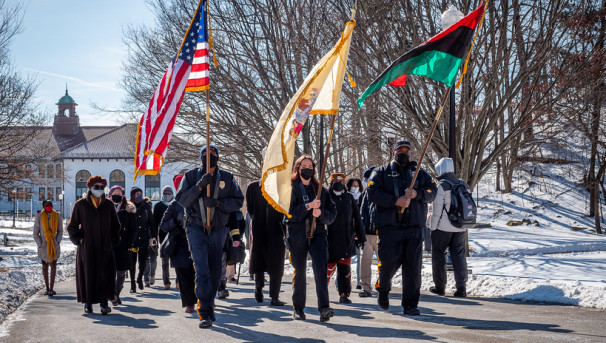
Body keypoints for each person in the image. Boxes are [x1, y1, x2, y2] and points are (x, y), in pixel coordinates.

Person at [175, 144, 244, 329]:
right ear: (200, 157)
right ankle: (204, 311)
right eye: (205, 154)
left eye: (212, 153)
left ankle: (209, 300)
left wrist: (219, 203)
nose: (209, 156)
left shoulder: (227, 178)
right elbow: (181, 200)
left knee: (215, 272)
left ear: (218, 157)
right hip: (196, 228)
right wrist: (198, 187)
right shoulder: (191, 177)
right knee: (202, 270)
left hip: (218, 229)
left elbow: (238, 201)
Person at [367, 140, 437, 316]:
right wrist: (395, 201)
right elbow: (372, 193)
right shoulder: (381, 172)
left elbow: (432, 191)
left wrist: (417, 194)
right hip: (389, 228)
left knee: (413, 268)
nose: (403, 153)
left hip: (414, 227)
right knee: (389, 263)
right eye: (400, 150)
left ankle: (410, 305)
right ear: (393, 153)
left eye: (407, 150)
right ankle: (383, 288)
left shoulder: (420, 173)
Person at [287, 154, 337, 322]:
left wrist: (321, 214)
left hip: (318, 234)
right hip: (297, 233)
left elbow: (332, 214)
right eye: (304, 166)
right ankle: (299, 308)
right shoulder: (291, 187)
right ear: (297, 168)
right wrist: (308, 207)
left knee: (320, 270)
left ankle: (324, 308)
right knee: (299, 271)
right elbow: (289, 214)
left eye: (310, 167)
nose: (307, 169)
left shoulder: (320, 189)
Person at [67, 175, 120, 315]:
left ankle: (104, 304)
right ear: (90, 188)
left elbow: (116, 225)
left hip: (105, 247)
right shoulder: (81, 204)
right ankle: (88, 303)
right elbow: (72, 226)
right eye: (96, 187)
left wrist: (113, 238)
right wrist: (79, 239)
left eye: (102, 187)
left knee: (105, 275)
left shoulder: (108, 204)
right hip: (88, 247)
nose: (99, 189)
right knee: (88, 274)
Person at [429, 157, 469, 297]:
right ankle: (461, 288)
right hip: (460, 226)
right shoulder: (463, 184)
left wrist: (432, 228)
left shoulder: (442, 186)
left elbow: (437, 211)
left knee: (439, 255)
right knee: (459, 256)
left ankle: (440, 287)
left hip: (443, 228)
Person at [326, 173, 365, 304]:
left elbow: (357, 219)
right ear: (331, 183)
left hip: (346, 240)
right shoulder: (326, 196)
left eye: (341, 182)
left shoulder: (348, 198)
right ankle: (322, 291)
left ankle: (344, 294)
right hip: (329, 240)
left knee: (344, 270)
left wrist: (361, 238)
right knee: (327, 268)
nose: (338, 184)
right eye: (336, 181)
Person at [246, 178, 286, 306]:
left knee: (277, 263)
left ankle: (275, 295)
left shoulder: (282, 187)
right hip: (259, 227)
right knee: (258, 259)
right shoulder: (253, 187)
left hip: (277, 228)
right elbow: (250, 209)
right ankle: (258, 288)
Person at [161, 174, 197, 313]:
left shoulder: (197, 201)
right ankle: (189, 303)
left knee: (200, 275)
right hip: (180, 246)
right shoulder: (174, 205)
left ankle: (204, 301)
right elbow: (164, 226)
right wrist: (175, 221)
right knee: (184, 277)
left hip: (196, 243)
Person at [109, 185, 137, 306]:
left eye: (119, 193)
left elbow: (134, 229)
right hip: (108, 245)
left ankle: (116, 293)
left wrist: (129, 243)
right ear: (110, 195)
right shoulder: (106, 208)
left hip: (123, 245)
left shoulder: (128, 210)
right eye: (114, 193)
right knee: (109, 272)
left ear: (123, 195)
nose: (117, 195)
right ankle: (111, 293)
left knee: (121, 272)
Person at [33, 199, 63, 297]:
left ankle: (51, 288)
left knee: (53, 266)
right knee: (45, 267)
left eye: (50, 205)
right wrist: (39, 243)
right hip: (43, 246)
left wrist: (57, 241)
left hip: (54, 245)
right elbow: (35, 232)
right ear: (43, 206)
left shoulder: (57, 216)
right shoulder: (39, 216)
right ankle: (47, 288)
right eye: (47, 205)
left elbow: (60, 230)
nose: (49, 207)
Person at [358, 166, 379, 298]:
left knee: (384, 262)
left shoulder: (381, 193)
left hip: (380, 233)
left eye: (367, 178)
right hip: (366, 233)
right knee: (364, 261)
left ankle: (382, 285)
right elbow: (360, 213)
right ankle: (366, 287)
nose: (365, 181)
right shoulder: (364, 195)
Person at [129, 186, 155, 292]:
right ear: (133, 195)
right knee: (132, 262)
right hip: (132, 239)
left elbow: (151, 222)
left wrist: (153, 235)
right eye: (137, 194)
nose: (139, 196)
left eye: (140, 194)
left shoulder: (146, 206)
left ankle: (139, 278)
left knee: (143, 261)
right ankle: (132, 284)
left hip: (144, 237)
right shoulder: (128, 206)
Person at [217, 211, 243, 299]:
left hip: (223, 238)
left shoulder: (226, 201)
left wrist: (236, 237)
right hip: (205, 237)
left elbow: (233, 218)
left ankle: (221, 287)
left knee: (222, 264)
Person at [154, 185, 174, 290]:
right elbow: (155, 223)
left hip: (175, 236)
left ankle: (179, 281)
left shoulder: (177, 204)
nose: (167, 195)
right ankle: (166, 282)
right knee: (165, 261)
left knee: (177, 260)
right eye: (165, 193)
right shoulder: (158, 206)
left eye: (169, 193)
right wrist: (155, 237)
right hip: (163, 236)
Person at [346, 177, 364, 290]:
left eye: (357, 185)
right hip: (347, 231)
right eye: (353, 185)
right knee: (344, 258)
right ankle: (341, 282)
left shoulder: (363, 197)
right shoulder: (346, 197)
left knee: (359, 258)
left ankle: (359, 282)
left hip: (359, 231)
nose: (355, 187)